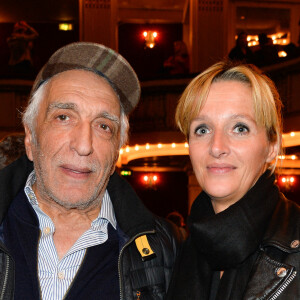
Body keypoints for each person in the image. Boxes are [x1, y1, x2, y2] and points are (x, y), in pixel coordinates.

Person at [0, 42, 181, 300]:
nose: (84, 145)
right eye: (64, 117)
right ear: (30, 138)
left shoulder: (166, 251)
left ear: (117, 151)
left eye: (104, 126)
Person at [167, 61, 300, 299]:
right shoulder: (174, 253)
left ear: (271, 146)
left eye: (240, 128)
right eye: (202, 129)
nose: (217, 147)